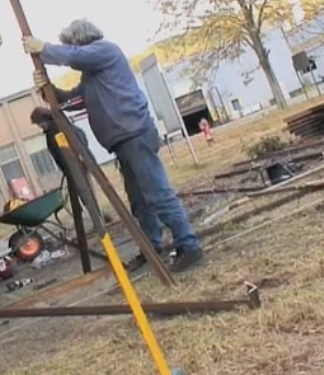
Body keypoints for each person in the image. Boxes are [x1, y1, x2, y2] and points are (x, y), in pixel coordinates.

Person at [21, 19, 205, 272]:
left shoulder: (105, 51)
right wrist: (48, 89)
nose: (72, 50)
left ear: (80, 42)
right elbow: (75, 100)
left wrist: (45, 50)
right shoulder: (92, 74)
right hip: (124, 140)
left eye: (71, 45)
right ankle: (152, 247)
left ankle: (189, 245)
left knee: (158, 195)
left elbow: (73, 56)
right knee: (140, 202)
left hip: (134, 134)